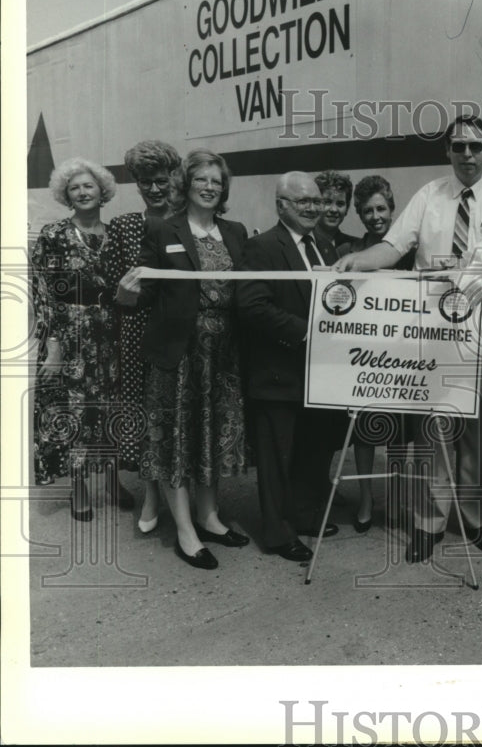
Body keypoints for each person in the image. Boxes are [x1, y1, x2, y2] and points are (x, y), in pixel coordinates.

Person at [333, 115, 482, 563]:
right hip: (431, 321)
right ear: (448, 152)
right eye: (459, 147)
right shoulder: (429, 195)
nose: (468, 155)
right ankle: (429, 523)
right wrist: (358, 261)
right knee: (434, 425)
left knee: (475, 423)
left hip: (480, 317)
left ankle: (474, 519)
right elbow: (394, 248)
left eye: (476, 147)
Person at [116, 149, 249, 570]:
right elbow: (145, 296)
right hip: (178, 356)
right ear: (186, 186)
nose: (210, 187)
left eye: (217, 181)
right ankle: (186, 531)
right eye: (202, 180)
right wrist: (127, 292)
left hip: (222, 357)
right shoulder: (162, 229)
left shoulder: (235, 231)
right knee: (176, 440)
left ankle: (209, 517)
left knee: (210, 435)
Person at [236, 172, 348, 561]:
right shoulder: (261, 247)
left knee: (312, 451)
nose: (314, 209)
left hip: (318, 375)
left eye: (317, 202)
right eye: (304, 203)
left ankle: (302, 516)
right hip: (277, 372)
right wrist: (306, 333)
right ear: (281, 205)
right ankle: (278, 534)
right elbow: (251, 305)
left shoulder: (327, 248)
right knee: (276, 459)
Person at [32, 158, 124, 520]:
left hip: (111, 333)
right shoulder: (53, 234)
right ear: (66, 196)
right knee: (74, 412)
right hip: (70, 335)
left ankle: (115, 480)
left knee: (112, 408)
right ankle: (80, 487)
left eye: (89, 186)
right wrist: (52, 348)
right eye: (75, 188)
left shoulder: (116, 234)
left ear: (103, 191)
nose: (83, 192)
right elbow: (43, 294)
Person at [104, 140, 182, 533]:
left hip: (181, 328)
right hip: (138, 330)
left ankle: (195, 500)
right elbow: (114, 292)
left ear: (175, 178)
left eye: (161, 180)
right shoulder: (124, 226)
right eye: (146, 182)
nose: (154, 189)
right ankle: (151, 494)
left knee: (179, 414)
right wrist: (122, 294)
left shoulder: (188, 220)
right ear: (136, 184)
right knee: (145, 414)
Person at [335, 174, 413, 532]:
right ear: (359, 215)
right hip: (365, 355)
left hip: (404, 353)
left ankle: (396, 499)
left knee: (398, 433)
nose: (375, 216)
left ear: (393, 209)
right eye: (367, 210)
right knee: (364, 431)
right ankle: (366, 497)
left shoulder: (412, 251)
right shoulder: (350, 252)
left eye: (381, 208)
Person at [314, 170, 358, 249]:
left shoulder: (356, 246)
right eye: (327, 202)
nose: (334, 210)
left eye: (340, 204)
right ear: (316, 204)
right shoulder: (303, 243)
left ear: (347, 208)